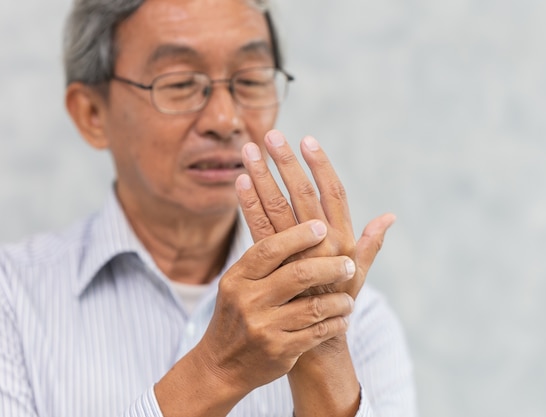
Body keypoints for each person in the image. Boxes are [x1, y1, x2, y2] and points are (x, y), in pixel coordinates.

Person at [0, 0, 417, 416]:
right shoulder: (14, 301)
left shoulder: (354, 319)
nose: (225, 118)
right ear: (92, 113)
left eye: (251, 80)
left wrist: (320, 344)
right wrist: (216, 370)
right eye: (180, 82)